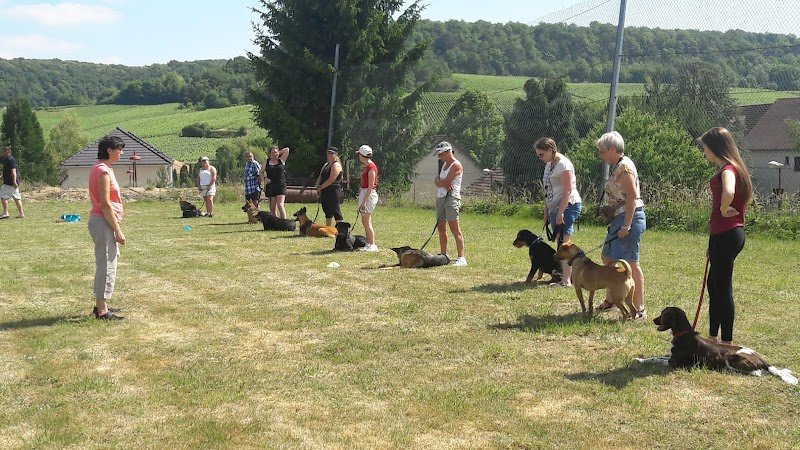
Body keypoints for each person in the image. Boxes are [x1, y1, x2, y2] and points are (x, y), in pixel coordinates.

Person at [698, 127, 752, 344]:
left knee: (722, 286)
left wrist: (722, 208)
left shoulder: (728, 170)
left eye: (705, 148)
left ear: (715, 147)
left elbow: (728, 191)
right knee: (714, 284)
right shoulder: (735, 168)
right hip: (726, 235)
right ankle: (713, 337)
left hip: (727, 234)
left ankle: (726, 342)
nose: (704, 152)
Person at [595, 131, 647, 318]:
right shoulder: (618, 165)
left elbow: (632, 197)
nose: (601, 155)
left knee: (630, 264)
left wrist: (626, 226)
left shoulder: (624, 168)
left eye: (602, 151)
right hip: (620, 218)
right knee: (608, 257)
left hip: (629, 219)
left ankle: (638, 307)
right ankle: (611, 300)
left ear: (613, 149)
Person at [534, 137, 582, 285]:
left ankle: (567, 279)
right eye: (538, 155)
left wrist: (561, 213)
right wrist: (547, 213)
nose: (539, 158)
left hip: (568, 206)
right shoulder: (549, 164)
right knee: (559, 242)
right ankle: (562, 275)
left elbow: (567, 190)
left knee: (564, 243)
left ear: (550, 150)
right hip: (555, 206)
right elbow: (547, 190)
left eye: (541, 154)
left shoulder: (563, 165)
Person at [88, 136, 126, 320]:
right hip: (103, 221)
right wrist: (117, 230)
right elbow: (105, 204)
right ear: (109, 150)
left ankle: (101, 305)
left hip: (104, 221)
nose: (122, 153)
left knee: (108, 262)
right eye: (119, 149)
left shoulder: (102, 168)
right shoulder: (102, 171)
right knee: (106, 264)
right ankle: (102, 311)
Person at [433, 141, 467, 266]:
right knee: (441, 227)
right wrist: (440, 182)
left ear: (448, 152)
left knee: (454, 228)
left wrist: (440, 181)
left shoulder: (456, 165)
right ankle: (443, 255)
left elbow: (446, 182)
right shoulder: (444, 165)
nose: (439, 157)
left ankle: (461, 258)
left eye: (440, 154)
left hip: (451, 198)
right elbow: (438, 182)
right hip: (441, 197)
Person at [356, 144, 379, 252]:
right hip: (365, 193)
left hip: (368, 194)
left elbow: (370, 187)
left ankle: (372, 244)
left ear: (362, 155)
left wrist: (364, 202)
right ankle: (368, 243)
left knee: (367, 221)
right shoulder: (367, 167)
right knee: (365, 221)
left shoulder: (371, 168)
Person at [315, 146, 344, 226]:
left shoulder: (336, 165)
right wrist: (317, 186)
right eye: (328, 153)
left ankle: (341, 230)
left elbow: (331, 179)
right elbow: (320, 176)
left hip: (333, 191)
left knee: (335, 210)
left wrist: (321, 187)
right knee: (327, 210)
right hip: (325, 190)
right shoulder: (326, 165)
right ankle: (328, 229)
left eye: (332, 153)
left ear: (336, 154)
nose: (330, 155)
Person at [260, 146, 290, 219]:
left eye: (276, 152)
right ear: (269, 153)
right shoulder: (267, 162)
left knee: (280, 205)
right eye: (272, 153)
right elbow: (261, 172)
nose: (274, 154)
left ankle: (284, 222)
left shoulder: (281, 160)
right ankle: (276, 223)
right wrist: (264, 179)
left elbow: (287, 149)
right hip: (270, 186)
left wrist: (278, 153)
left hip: (280, 185)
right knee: (272, 207)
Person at [0, 146, 25, 219]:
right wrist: (2, 176)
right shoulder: (8, 159)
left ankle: (5, 213)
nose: (2, 153)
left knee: (2, 196)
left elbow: (13, 171)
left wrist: (14, 181)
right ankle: (21, 213)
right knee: (17, 198)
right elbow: (7, 171)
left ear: (7, 151)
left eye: (3, 151)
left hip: (10, 183)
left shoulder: (10, 159)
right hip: (13, 183)